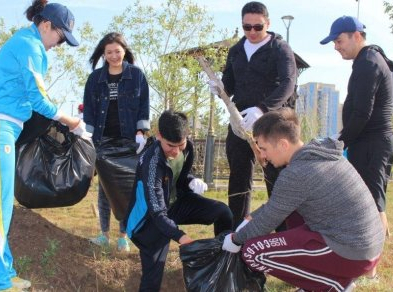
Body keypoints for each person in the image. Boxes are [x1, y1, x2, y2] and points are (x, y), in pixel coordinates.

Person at [0, 1, 90, 291]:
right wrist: (72, 121)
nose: (59, 45)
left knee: (2, 206)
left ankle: (4, 270)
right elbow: (38, 99)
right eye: (61, 37)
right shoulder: (30, 46)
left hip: (4, 128)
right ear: (46, 25)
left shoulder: (26, 43)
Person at [221, 108, 385, 291]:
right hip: (368, 247)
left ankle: (334, 285)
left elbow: (268, 221)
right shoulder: (320, 153)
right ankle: (327, 278)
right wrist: (250, 218)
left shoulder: (297, 173)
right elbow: (277, 205)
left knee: (252, 252)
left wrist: (235, 240)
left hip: (353, 253)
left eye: (264, 148)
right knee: (291, 213)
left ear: (283, 144)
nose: (263, 156)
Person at [208, 1, 297, 228]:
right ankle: (238, 233)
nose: (252, 32)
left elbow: (288, 84)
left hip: (272, 124)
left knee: (275, 178)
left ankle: (283, 234)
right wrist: (219, 88)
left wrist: (263, 110)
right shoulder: (236, 50)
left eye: (258, 27)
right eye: (247, 27)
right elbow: (229, 84)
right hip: (241, 122)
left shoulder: (280, 49)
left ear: (268, 23)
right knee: (238, 177)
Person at [126, 110, 233, 292]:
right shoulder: (152, 163)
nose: (176, 152)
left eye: (180, 145)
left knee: (223, 212)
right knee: (153, 276)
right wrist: (182, 237)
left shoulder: (188, 148)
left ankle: (223, 265)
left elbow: (180, 177)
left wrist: (191, 180)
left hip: (175, 204)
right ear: (159, 135)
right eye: (170, 146)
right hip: (148, 221)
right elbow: (158, 212)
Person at [320, 16, 393, 241]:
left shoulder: (368, 63)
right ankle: (373, 258)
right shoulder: (371, 58)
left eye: (339, 41)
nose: (336, 47)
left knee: (371, 203)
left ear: (357, 36)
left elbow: (362, 113)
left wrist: (339, 141)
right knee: (372, 200)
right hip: (371, 142)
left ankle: (370, 264)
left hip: (371, 143)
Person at [83, 32, 150, 252]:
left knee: (125, 189)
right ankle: (104, 234)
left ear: (125, 51)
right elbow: (90, 112)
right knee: (104, 189)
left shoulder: (137, 76)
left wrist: (141, 131)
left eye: (117, 51)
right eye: (109, 52)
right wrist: (88, 138)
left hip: (128, 141)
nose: (114, 56)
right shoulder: (95, 79)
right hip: (103, 141)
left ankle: (123, 235)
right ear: (103, 54)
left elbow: (143, 106)